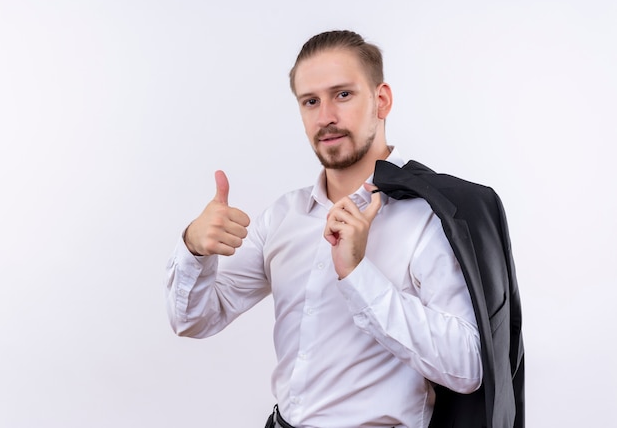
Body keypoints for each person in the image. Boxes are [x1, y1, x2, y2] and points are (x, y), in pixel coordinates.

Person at [165, 30, 524, 428]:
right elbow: (194, 320)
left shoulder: (429, 217)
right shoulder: (283, 216)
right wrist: (194, 249)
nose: (326, 117)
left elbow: (470, 366)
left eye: (343, 94)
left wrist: (357, 274)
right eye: (311, 101)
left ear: (381, 100)